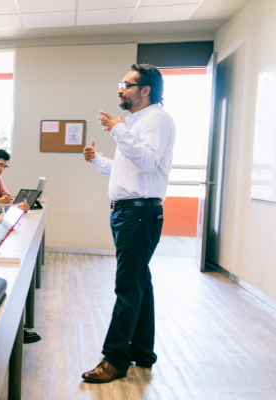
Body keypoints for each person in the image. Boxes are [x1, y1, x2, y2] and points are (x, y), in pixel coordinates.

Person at [81, 64, 175, 383]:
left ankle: (115, 359)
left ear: (145, 90)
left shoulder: (156, 119)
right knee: (139, 283)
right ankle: (143, 352)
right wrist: (98, 162)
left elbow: (148, 163)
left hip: (138, 213)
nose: (120, 89)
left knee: (128, 287)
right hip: (128, 212)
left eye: (127, 84)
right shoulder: (136, 122)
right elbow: (128, 171)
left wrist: (118, 131)